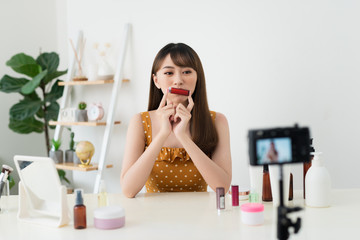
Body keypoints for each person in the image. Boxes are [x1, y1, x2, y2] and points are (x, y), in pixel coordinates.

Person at [120, 43, 232, 198]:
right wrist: (163, 134)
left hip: (201, 218)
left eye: (186, 72)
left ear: (197, 78)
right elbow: (128, 190)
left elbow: (222, 187)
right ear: (156, 80)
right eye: (169, 73)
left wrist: (183, 137)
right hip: (153, 217)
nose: (178, 80)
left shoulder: (217, 121)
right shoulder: (140, 122)